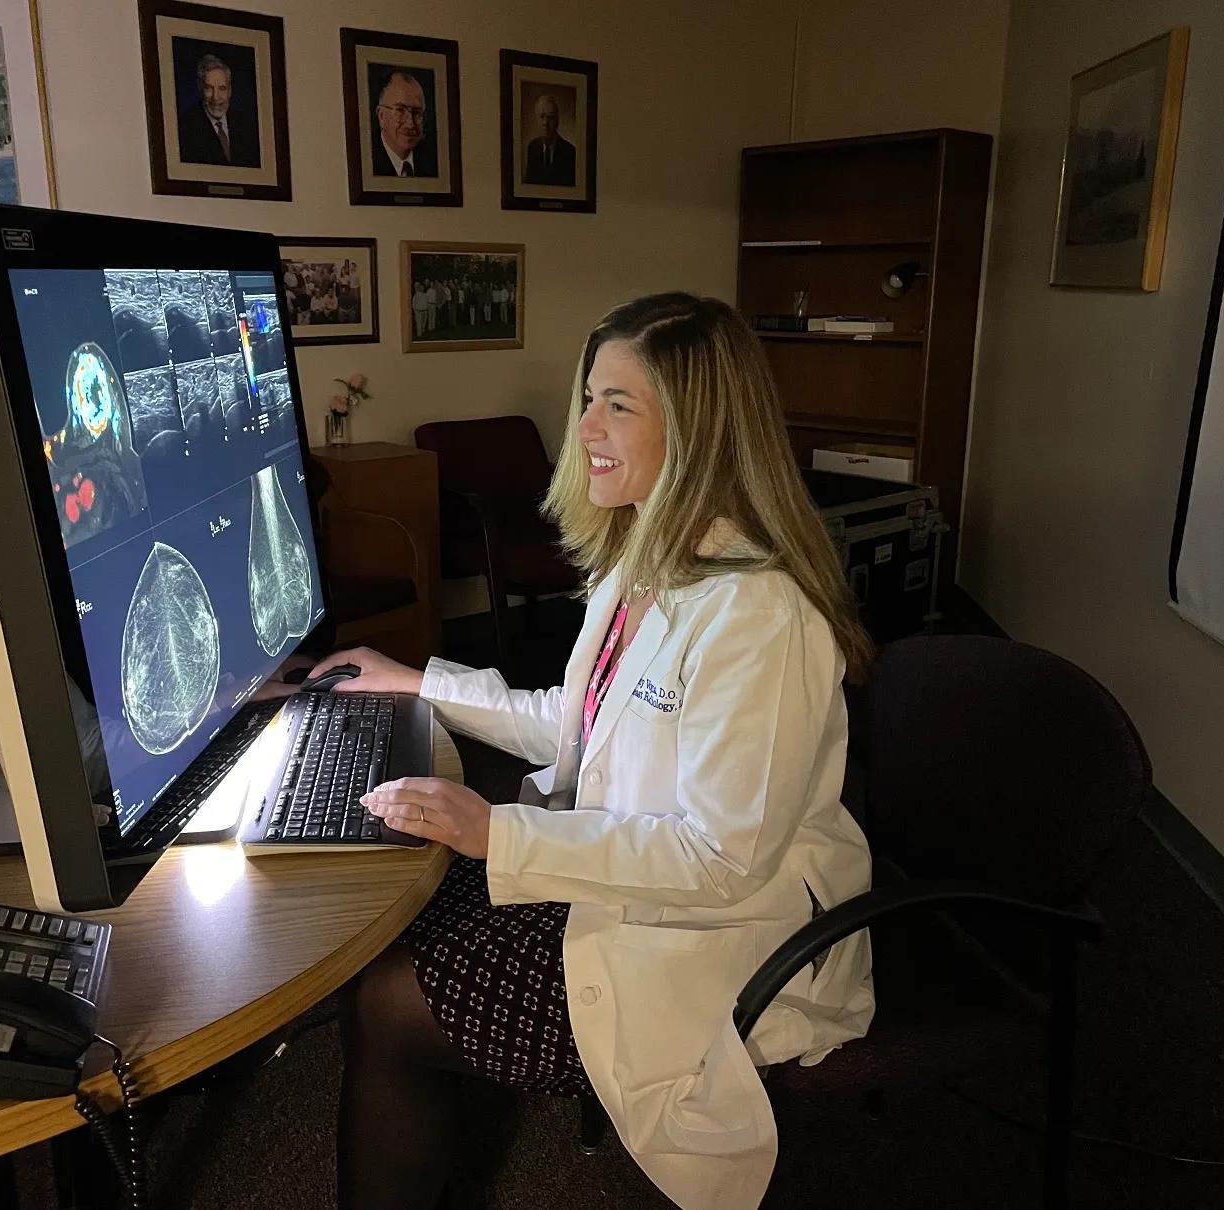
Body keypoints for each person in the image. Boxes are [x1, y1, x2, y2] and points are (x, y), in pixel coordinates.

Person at [317, 293, 876, 1210]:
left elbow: (722, 860)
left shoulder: (760, 615)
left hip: (718, 937)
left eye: (619, 403)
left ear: (698, 429)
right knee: (399, 911)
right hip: (621, 877)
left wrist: (499, 834)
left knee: (390, 999)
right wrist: (415, 681)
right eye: (588, 396)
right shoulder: (648, 558)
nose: (582, 426)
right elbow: (577, 721)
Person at [176, 52, 260, 167]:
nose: (216, 97)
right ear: (200, 88)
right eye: (209, 89)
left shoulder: (247, 125)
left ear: (230, 90)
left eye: (222, 88)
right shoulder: (185, 128)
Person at [370, 68, 437, 178]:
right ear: (381, 116)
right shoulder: (368, 160)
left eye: (417, 113)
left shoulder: (433, 161)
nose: (410, 124)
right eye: (400, 110)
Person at [523, 92, 578, 187]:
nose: (545, 123)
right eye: (542, 116)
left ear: (557, 120)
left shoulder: (570, 152)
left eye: (550, 117)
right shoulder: (532, 147)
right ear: (536, 119)